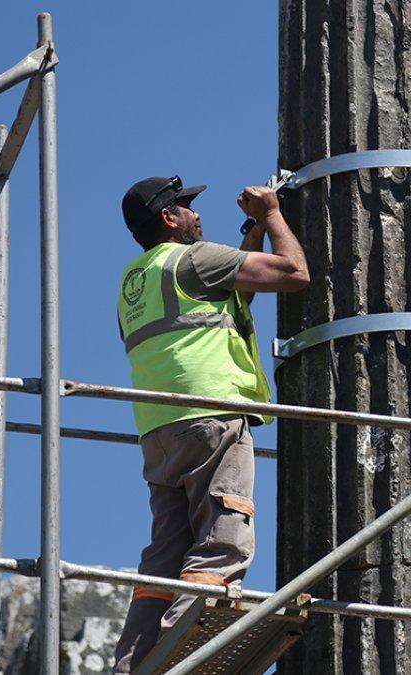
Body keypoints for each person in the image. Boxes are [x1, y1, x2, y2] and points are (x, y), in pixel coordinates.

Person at [112, 175, 308, 672]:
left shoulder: (136, 279)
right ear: (168, 218)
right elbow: (292, 273)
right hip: (210, 416)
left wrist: (251, 232)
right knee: (223, 540)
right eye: (187, 206)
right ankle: (182, 651)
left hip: (159, 429)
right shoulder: (194, 259)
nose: (197, 214)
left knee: (165, 556)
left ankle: (134, 662)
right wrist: (272, 215)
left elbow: (230, 295)